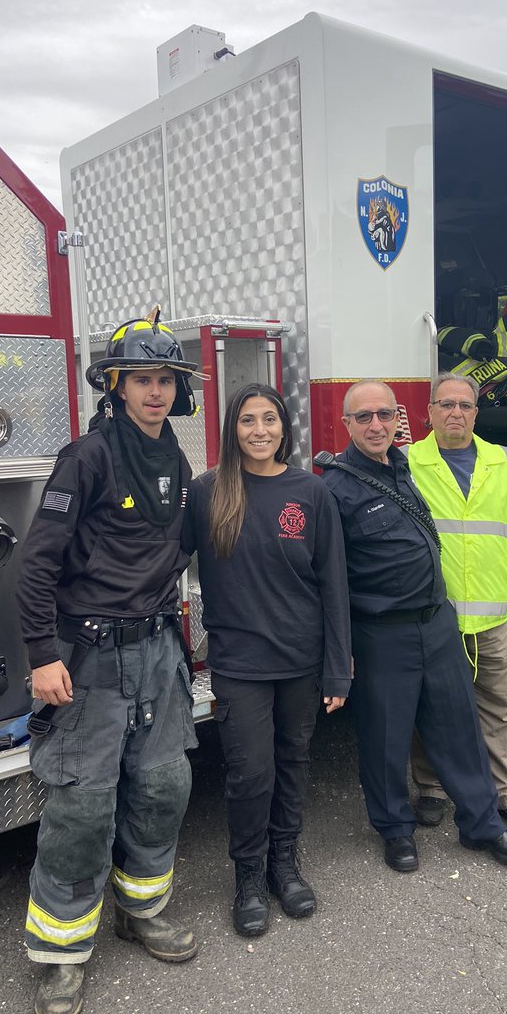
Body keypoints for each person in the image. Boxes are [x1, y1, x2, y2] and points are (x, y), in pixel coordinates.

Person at [16, 313, 204, 1014]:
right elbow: (35, 568)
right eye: (143, 380)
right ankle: (61, 954)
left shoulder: (176, 461)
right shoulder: (87, 457)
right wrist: (41, 655)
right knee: (82, 805)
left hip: (156, 652)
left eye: (167, 381)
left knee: (163, 785)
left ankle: (142, 912)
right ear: (116, 386)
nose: (156, 392)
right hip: (88, 659)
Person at [318, 380, 507, 873]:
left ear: (399, 419)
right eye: (364, 417)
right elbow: (329, 580)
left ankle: (482, 825)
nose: (376, 425)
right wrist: (340, 649)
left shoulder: (407, 467)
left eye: (384, 415)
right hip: (382, 633)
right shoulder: (332, 488)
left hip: (438, 622)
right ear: (346, 424)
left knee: (459, 728)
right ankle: (395, 831)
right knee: (386, 739)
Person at [183, 383, 351, 937]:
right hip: (240, 664)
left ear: (285, 427)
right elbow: (158, 556)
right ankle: (249, 877)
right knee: (250, 774)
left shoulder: (311, 493)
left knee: (292, 764)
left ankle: (285, 864)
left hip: (301, 661)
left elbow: (333, 585)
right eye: (249, 420)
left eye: (270, 420)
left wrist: (338, 666)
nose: (260, 430)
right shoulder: (208, 493)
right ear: (233, 429)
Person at [407, 373, 507, 834]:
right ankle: (430, 787)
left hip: (491, 617)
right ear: (429, 412)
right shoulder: (406, 464)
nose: (456, 413)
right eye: (446, 405)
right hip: (434, 616)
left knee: (499, 706)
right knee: (429, 705)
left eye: (465, 405)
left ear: (476, 411)